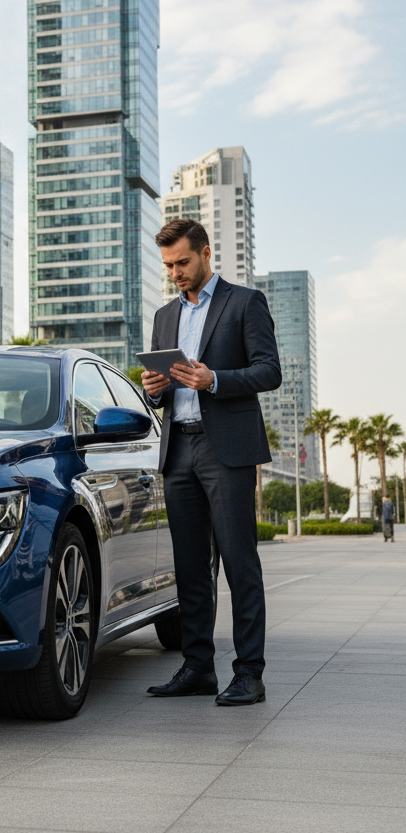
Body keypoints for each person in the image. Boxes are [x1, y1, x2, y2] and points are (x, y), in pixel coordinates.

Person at [141, 219, 281, 706]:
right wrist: (153, 389)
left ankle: (249, 674)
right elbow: (161, 390)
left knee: (240, 564)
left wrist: (214, 379)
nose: (175, 272)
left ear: (204, 253)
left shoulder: (244, 303)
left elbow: (269, 371)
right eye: (168, 266)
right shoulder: (164, 315)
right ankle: (198, 667)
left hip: (227, 451)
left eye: (182, 262)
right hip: (178, 449)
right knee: (190, 568)